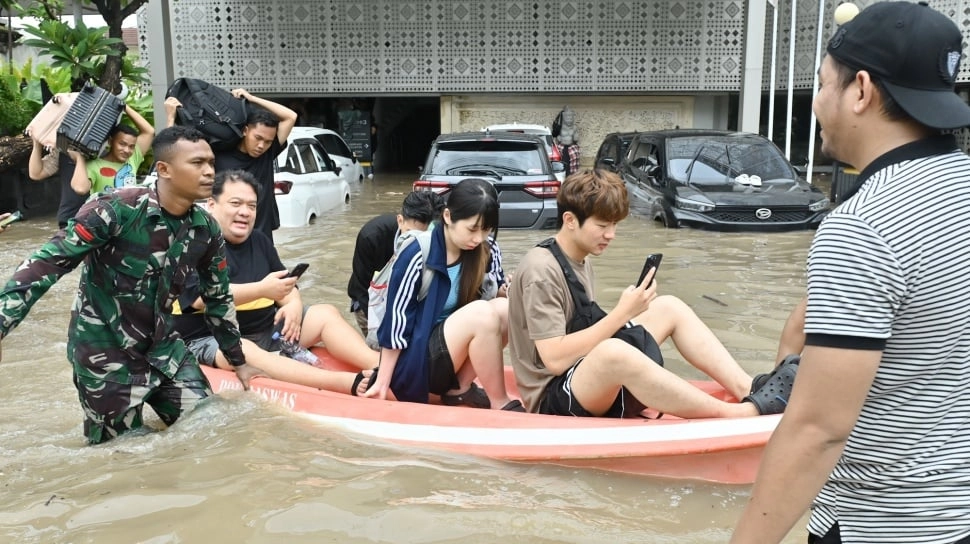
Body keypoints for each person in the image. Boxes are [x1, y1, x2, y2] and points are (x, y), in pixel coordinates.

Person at [732, 3, 970, 543]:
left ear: (859, 90)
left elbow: (817, 430)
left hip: (882, 524)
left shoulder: (865, 225)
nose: (816, 103)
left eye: (821, 84)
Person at [0, 126, 261, 444]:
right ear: (163, 169)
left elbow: (218, 299)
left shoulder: (205, 229)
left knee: (211, 427)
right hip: (105, 359)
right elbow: (46, 264)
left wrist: (238, 361)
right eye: (197, 163)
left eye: (211, 162)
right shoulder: (115, 210)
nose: (209, 172)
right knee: (127, 455)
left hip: (165, 353)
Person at [507, 169, 796, 419]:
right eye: (602, 225)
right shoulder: (541, 269)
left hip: (581, 375)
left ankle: (747, 387)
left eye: (615, 225)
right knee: (613, 352)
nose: (611, 235)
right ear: (570, 220)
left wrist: (630, 312)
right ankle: (738, 413)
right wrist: (623, 314)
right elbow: (555, 359)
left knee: (669, 307)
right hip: (553, 397)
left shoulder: (579, 259)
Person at [175, 169, 379, 391]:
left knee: (325, 313)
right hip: (211, 338)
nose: (245, 212)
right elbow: (199, 299)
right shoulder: (192, 243)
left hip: (265, 329)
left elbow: (285, 283)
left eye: (251, 206)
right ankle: (342, 383)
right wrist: (262, 289)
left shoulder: (260, 241)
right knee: (242, 348)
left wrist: (293, 304)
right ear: (211, 205)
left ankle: (381, 366)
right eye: (236, 203)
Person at [362, 178, 523, 411]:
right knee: (482, 313)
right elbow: (396, 320)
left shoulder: (484, 250)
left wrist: (511, 288)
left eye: (486, 230)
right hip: (416, 363)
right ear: (447, 217)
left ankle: (459, 390)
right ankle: (499, 401)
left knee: (505, 308)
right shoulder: (418, 252)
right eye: (472, 229)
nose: (478, 238)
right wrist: (383, 382)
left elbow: (493, 294)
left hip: (451, 355)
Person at [167, 90, 297, 242]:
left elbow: (290, 117)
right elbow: (172, 155)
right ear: (245, 131)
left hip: (260, 236)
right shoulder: (218, 156)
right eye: (258, 138)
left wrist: (252, 99)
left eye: (268, 141)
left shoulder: (268, 153)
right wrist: (170, 117)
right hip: (224, 238)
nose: (262, 145)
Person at [347, 191, 445, 334]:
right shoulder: (372, 236)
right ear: (400, 220)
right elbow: (362, 287)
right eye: (410, 232)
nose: (415, 241)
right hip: (370, 300)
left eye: (423, 237)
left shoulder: (440, 239)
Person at [26, 94, 89, 229]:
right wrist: (37, 143)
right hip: (70, 219)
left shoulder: (106, 146)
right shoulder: (63, 147)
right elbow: (36, 173)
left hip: (98, 218)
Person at [70, 104, 155, 195]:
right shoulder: (94, 165)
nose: (127, 150)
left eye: (131, 146)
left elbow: (149, 131)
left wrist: (124, 106)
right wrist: (79, 158)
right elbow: (80, 189)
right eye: (122, 144)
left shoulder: (132, 159)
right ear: (111, 142)